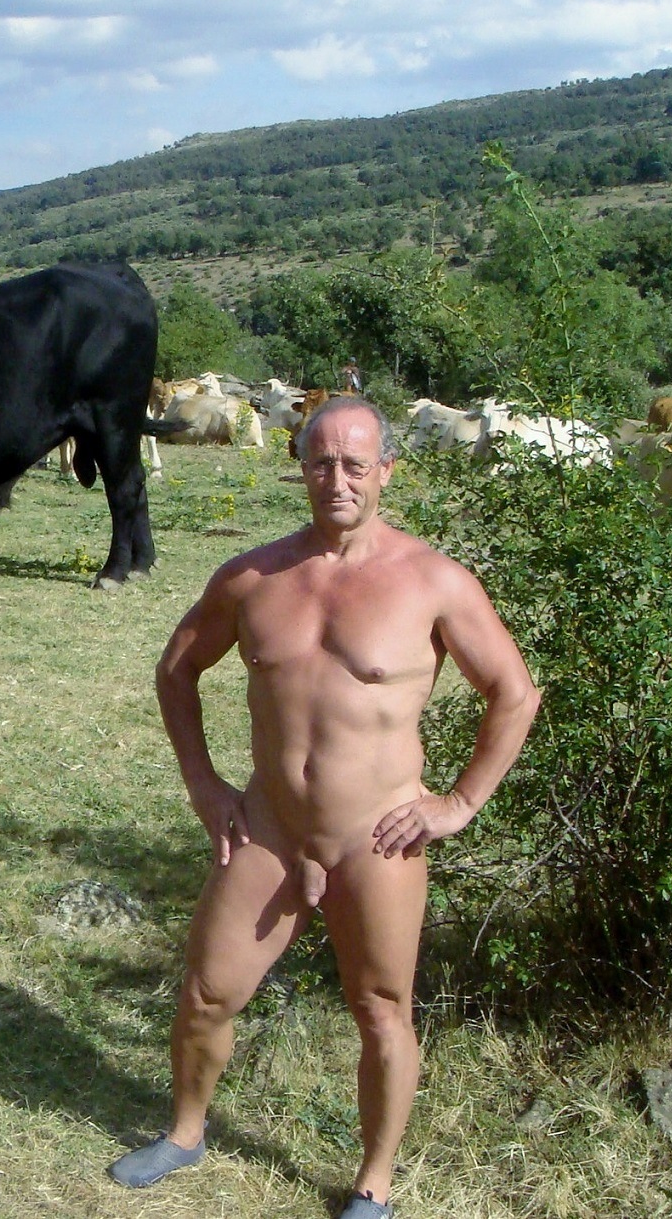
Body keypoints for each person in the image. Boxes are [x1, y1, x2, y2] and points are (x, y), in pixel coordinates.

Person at [110, 396, 541, 1218]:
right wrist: (203, 783)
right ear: (300, 467)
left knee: (381, 1011)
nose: (336, 479)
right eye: (320, 461)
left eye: (354, 464)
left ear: (385, 471)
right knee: (207, 992)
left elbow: (514, 693)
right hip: (269, 828)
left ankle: (372, 1184)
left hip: (375, 837)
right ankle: (185, 1131)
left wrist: (458, 802)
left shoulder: (434, 580)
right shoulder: (251, 577)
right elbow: (176, 668)